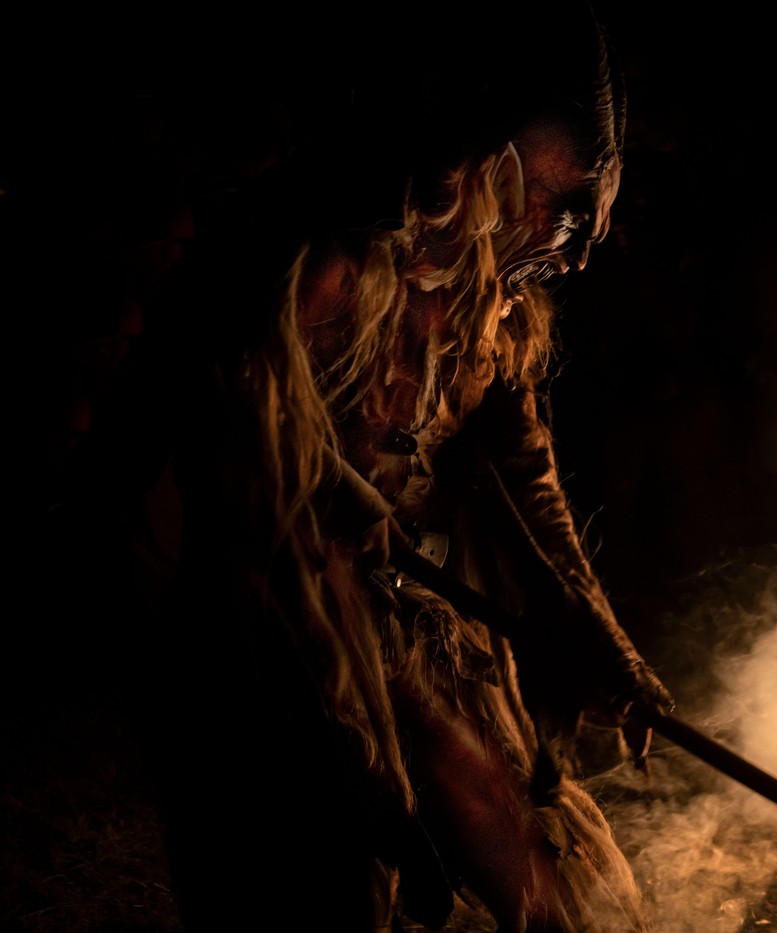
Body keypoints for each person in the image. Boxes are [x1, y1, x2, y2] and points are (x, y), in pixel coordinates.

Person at [49, 5, 672, 931]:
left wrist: (596, 632)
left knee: (558, 890)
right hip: (232, 609)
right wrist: (373, 775)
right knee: (317, 890)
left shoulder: (485, 282)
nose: (580, 252)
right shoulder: (318, 265)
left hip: (365, 597)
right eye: (572, 209)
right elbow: (281, 538)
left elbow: (518, 462)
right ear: (493, 163)